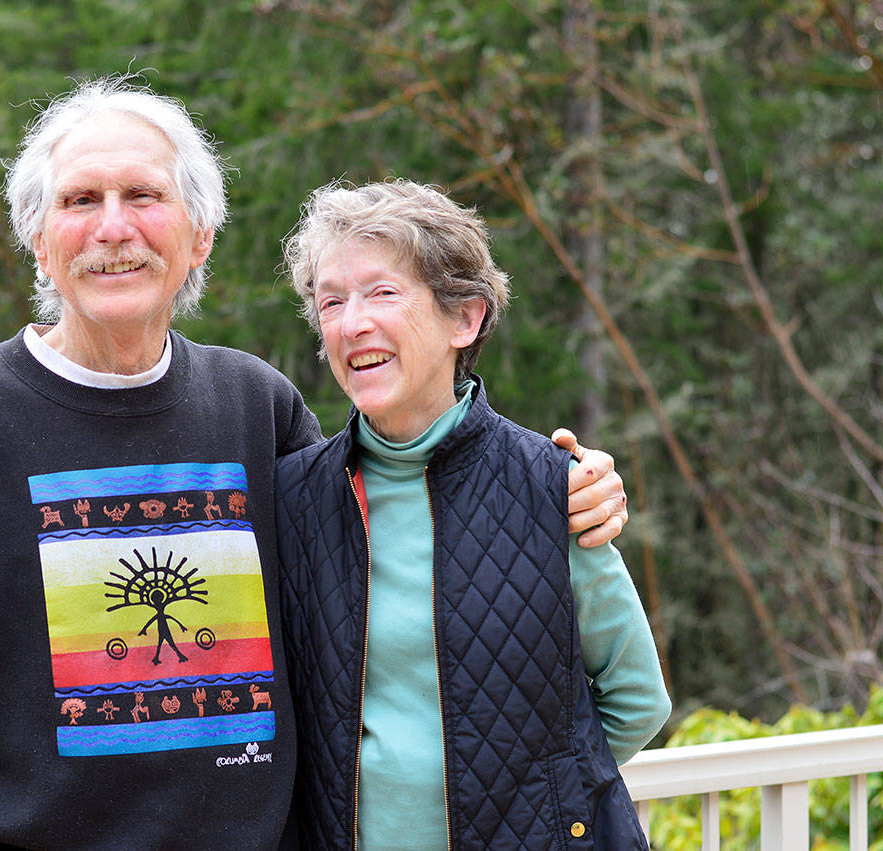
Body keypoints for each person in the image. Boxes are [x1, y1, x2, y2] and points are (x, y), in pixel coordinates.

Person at [0, 78, 630, 849]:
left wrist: (561, 487)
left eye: (143, 195)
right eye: (78, 201)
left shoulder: (256, 405)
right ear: (38, 241)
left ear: (198, 236)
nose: (112, 228)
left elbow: (387, 542)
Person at [274, 179, 670, 849]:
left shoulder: (555, 488)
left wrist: (542, 810)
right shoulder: (293, 498)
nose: (350, 322)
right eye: (331, 301)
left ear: (465, 318)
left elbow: (637, 698)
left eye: (383, 292)